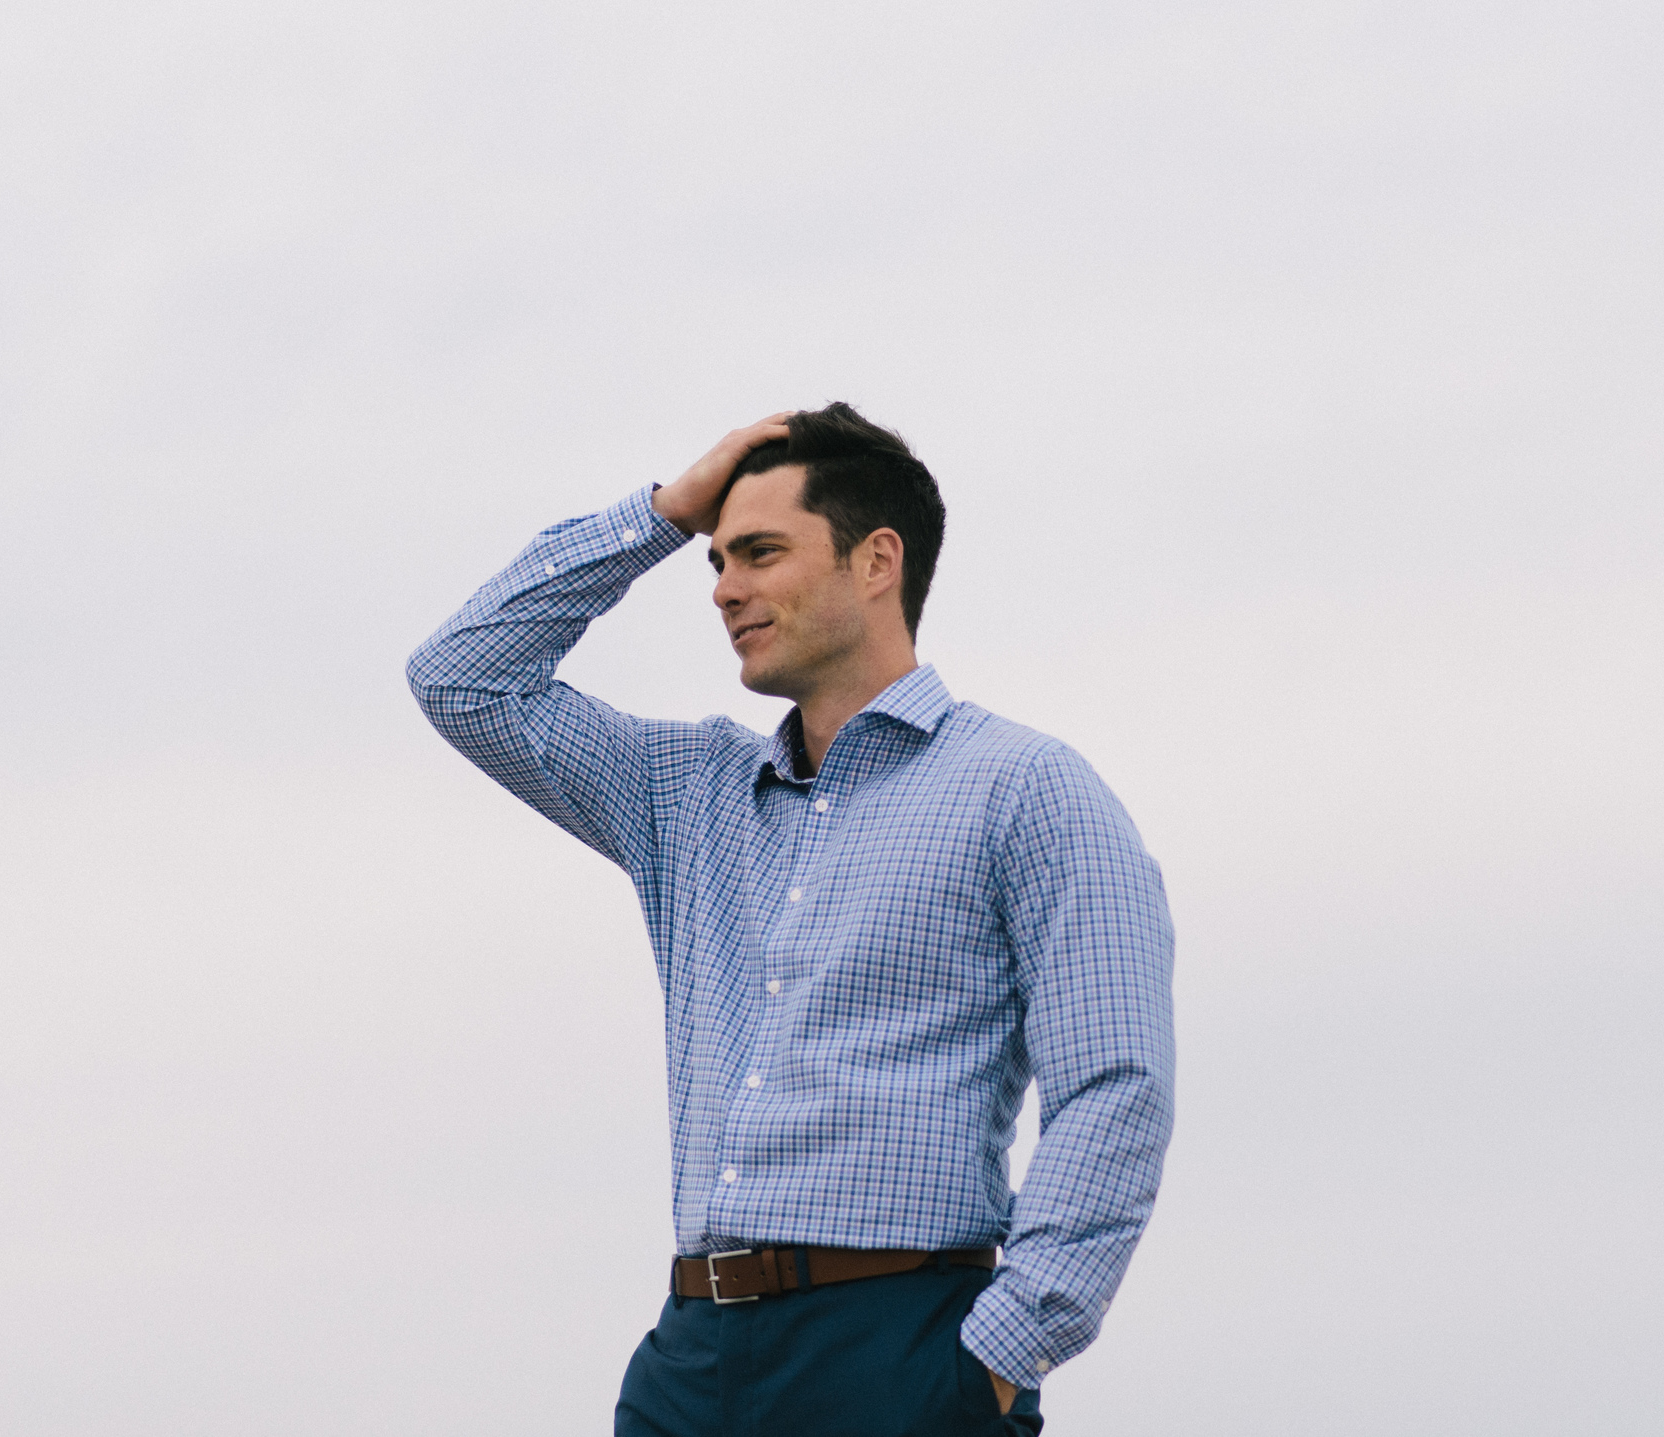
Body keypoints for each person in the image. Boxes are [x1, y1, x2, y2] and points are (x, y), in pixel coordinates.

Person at [406, 404, 1176, 1436]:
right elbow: (461, 679)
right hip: (691, 1358)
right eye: (716, 560)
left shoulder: (1025, 790)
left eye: (761, 552)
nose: (724, 588)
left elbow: (1114, 1086)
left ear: (876, 561)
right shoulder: (682, 793)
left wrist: (995, 1361)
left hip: (901, 1352)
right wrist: (661, 514)